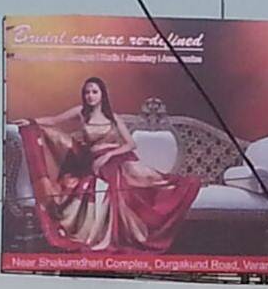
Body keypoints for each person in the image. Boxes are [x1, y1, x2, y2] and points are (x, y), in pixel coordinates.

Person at [16, 77, 201, 252]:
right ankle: (120, 232)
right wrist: (30, 122)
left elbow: (130, 144)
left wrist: (109, 154)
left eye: (94, 92)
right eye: (87, 92)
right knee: (113, 185)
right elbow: (54, 121)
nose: (90, 95)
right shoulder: (81, 113)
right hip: (96, 163)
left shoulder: (113, 117)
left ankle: (178, 190)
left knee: (145, 177)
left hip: (118, 157)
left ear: (102, 94)